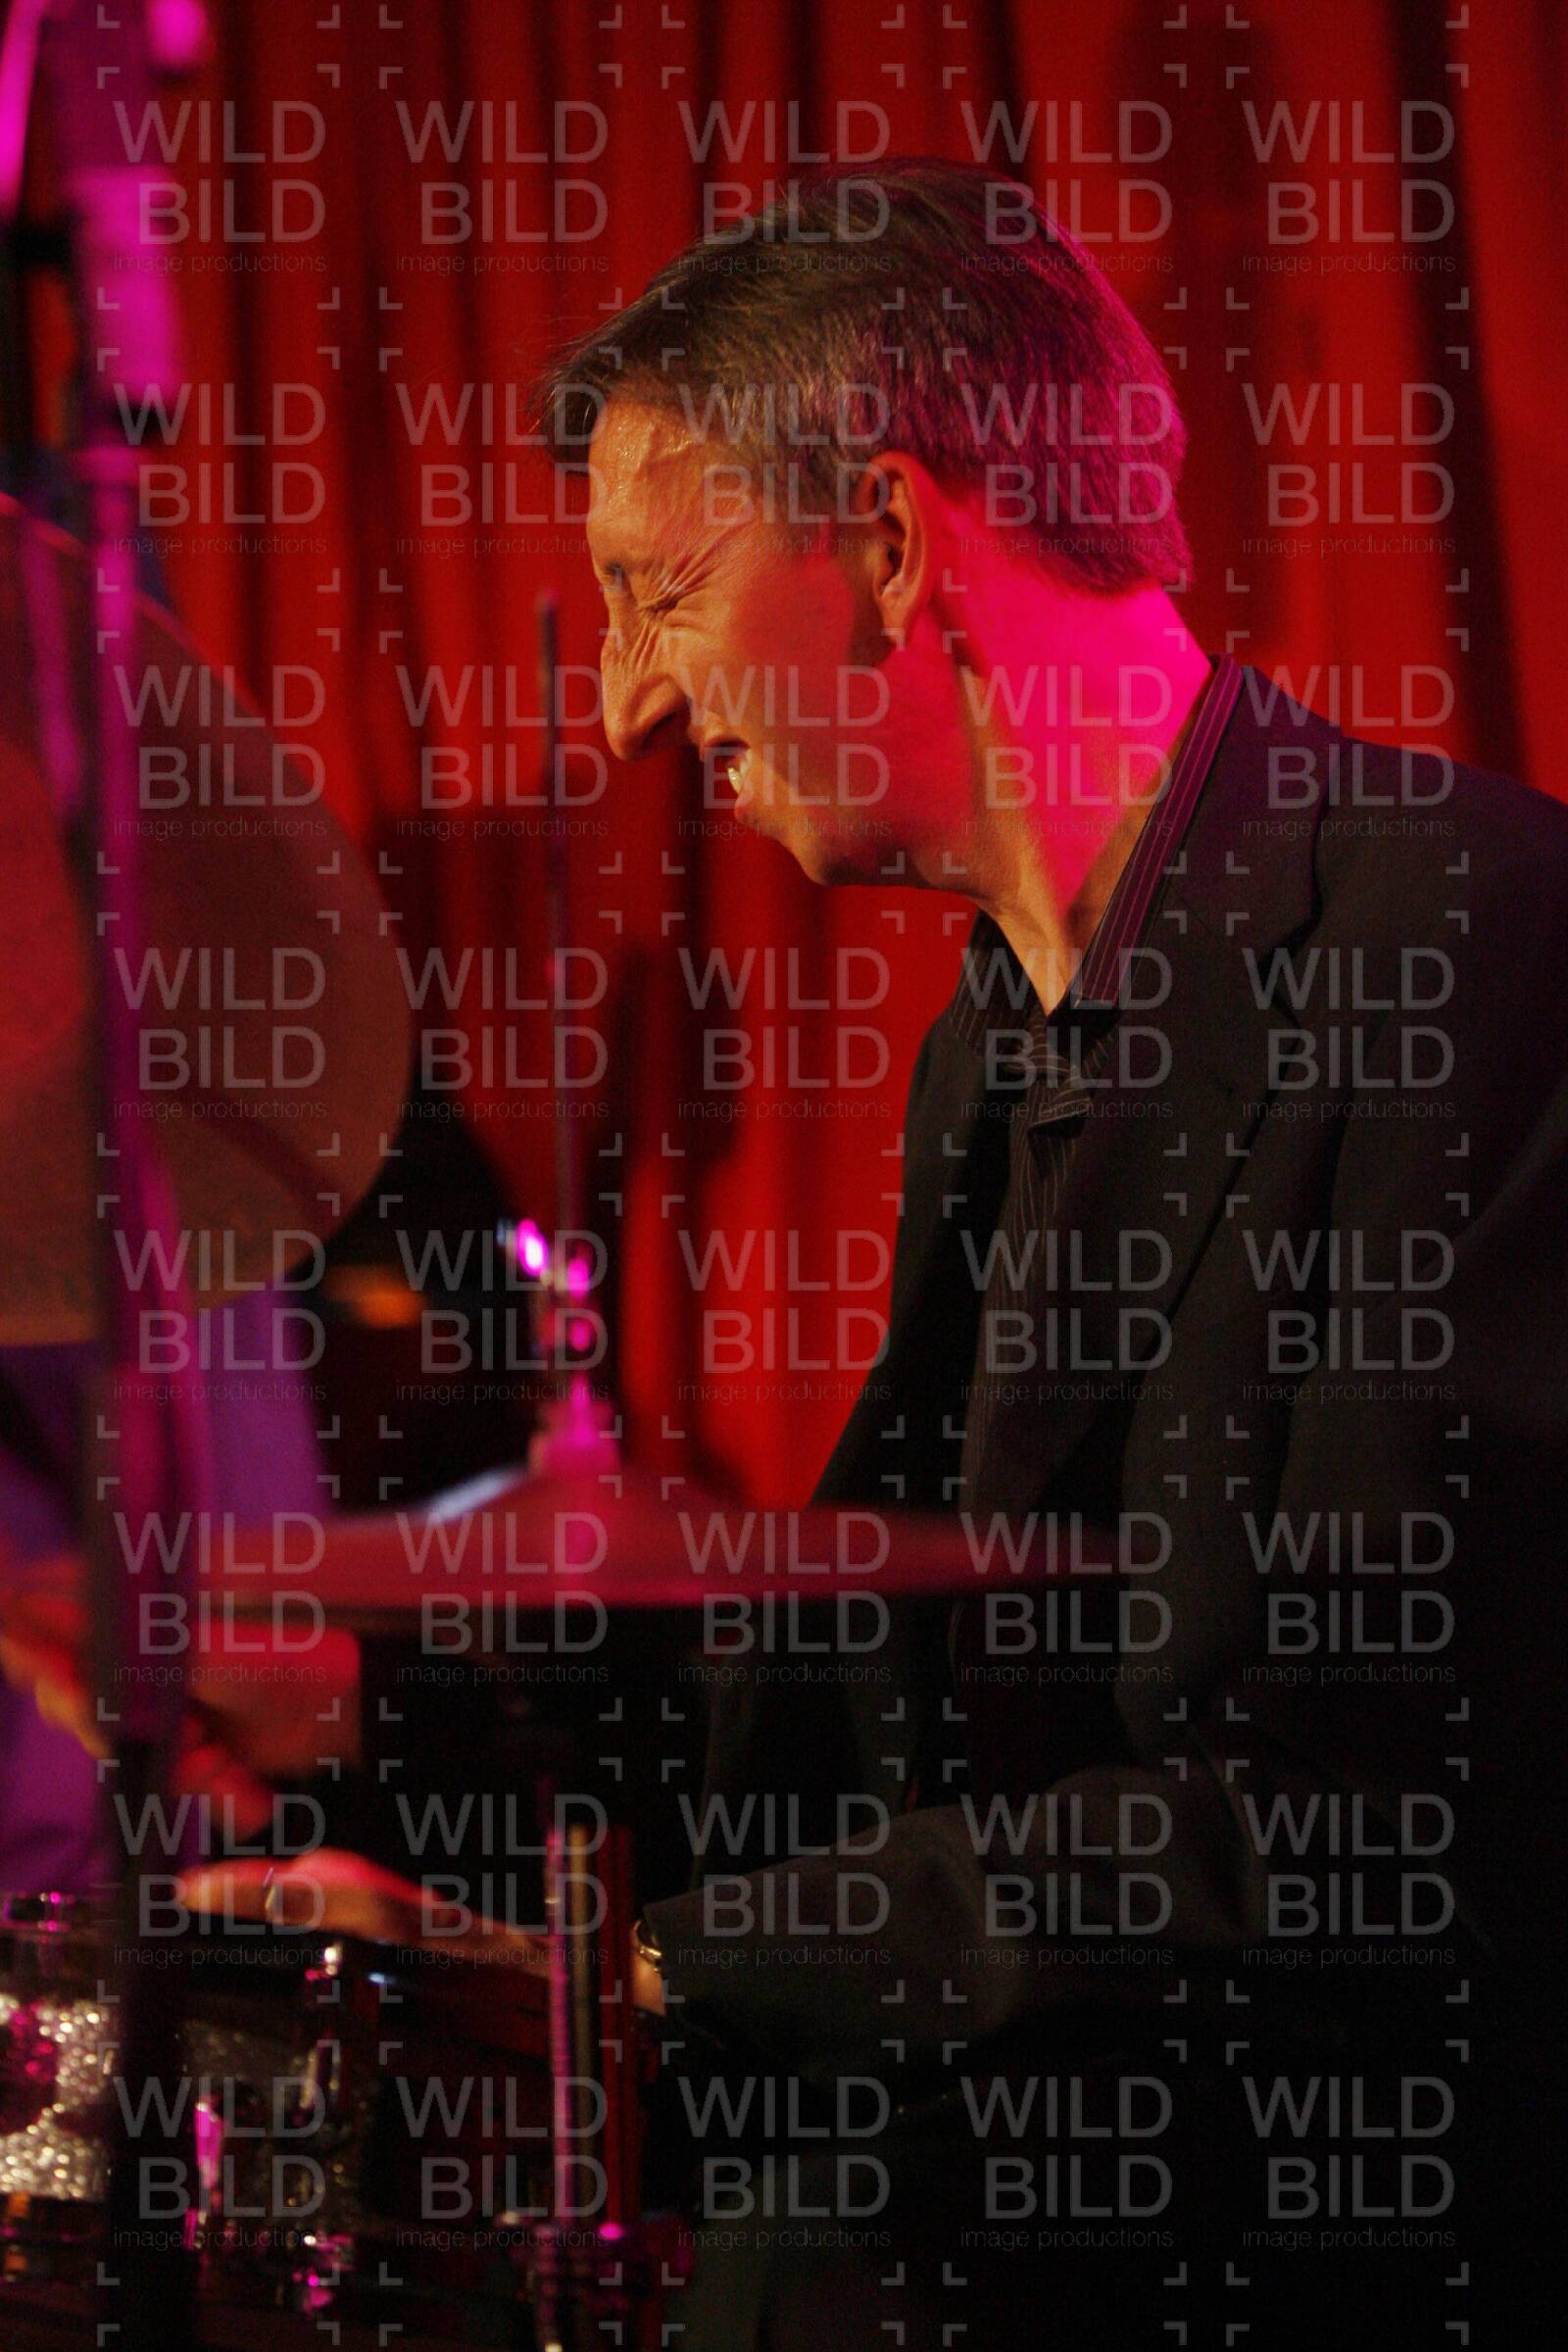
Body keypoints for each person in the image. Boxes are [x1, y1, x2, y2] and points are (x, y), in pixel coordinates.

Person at [6, 159, 1564, 2344]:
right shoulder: (990, 1049)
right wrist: (357, 1709)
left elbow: (1379, 1829)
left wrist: (635, 1974)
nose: (632, 710)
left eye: (659, 592)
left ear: (896, 542)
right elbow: (847, 1713)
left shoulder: (1473, 949)